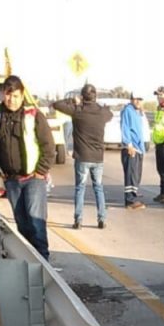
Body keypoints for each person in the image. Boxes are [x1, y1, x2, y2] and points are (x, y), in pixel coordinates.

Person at [0, 75, 55, 261]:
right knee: (22, 226)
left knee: (36, 224)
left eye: (15, 96)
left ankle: (44, 269)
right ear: (3, 94)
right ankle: (28, 268)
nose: (12, 100)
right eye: (8, 95)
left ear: (22, 95)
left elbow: (48, 146)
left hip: (33, 179)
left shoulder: (33, 115)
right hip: (11, 181)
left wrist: (40, 171)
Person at [52, 84, 113, 229]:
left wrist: (73, 101)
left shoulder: (77, 111)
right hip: (98, 157)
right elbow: (109, 113)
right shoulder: (102, 113)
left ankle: (78, 220)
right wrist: (101, 106)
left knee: (80, 188)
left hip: (82, 157)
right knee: (98, 187)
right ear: (95, 96)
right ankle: (102, 219)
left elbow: (56, 105)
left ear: (82, 96)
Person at [120, 91, 146, 210]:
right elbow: (125, 127)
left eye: (140, 99)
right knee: (131, 175)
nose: (138, 101)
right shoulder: (128, 110)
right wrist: (129, 144)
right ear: (131, 99)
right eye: (136, 99)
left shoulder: (138, 112)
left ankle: (133, 195)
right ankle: (130, 200)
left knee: (136, 175)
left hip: (139, 148)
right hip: (132, 148)